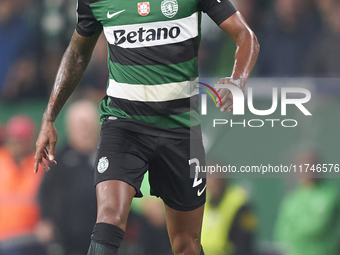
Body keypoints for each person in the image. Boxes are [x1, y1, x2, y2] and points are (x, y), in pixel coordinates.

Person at [34, 0, 259, 254]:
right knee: (109, 217)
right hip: (123, 124)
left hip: (180, 129)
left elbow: (246, 36)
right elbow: (77, 53)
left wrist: (238, 79)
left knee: (187, 244)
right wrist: (49, 117)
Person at [38, 100, 99, 255]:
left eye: (88, 125)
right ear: (70, 129)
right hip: (66, 239)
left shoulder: (108, 157)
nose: (85, 130)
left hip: (102, 237)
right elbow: (45, 192)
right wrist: (46, 220)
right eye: (80, 125)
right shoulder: (59, 159)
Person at [274, 151, 340, 255]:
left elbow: (316, 228)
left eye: (311, 165)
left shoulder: (329, 195)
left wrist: (295, 229)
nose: (307, 169)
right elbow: (282, 232)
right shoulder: (292, 198)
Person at [0, 116, 47, 255]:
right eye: (16, 139)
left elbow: (52, 198)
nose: (19, 143)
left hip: (32, 240)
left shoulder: (43, 165)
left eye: (23, 139)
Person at [201, 177, 257, 255]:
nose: (211, 185)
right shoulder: (202, 199)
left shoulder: (240, 204)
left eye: (214, 180)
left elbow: (244, 241)